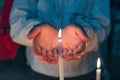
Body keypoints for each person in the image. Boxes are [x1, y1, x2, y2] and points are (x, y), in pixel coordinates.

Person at [10, 0, 110, 80]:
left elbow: (103, 25)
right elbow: (17, 23)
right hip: (41, 70)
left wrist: (83, 34)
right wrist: (36, 32)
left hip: (84, 69)